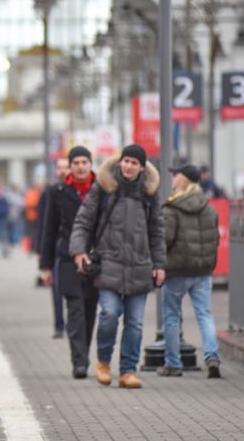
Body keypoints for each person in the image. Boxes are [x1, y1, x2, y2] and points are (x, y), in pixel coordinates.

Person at [69, 144, 166, 389]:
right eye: (126, 161)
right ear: (120, 162)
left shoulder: (148, 194)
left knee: (135, 323)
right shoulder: (104, 188)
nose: (129, 166)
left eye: (134, 163)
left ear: (142, 167)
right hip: (108, 264)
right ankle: (103, 362)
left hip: (140, 267)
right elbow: (83, 221)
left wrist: (160, 265)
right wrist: (79, 250)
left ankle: (128, 370)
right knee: (109, 315)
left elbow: (157, 232)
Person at [39, 147, 99, 378]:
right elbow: (49, 229)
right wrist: (45, 265)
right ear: (70, 167)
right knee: (75, 308)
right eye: (77, 163)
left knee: (90, 309)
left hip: (94, 259)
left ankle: (84, 352)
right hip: (66, 258)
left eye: (85, 162)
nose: (81, 166)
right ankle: (79, 361)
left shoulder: (100, 189)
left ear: (91, 164)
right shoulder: (59, 191)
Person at [157, 164, 222, 379]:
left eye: (176, 175)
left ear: (184, 180)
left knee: (171, 317)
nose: (173, 178)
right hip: (201, 271)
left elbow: (165, 240)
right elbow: (214, 239)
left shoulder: (172, 208)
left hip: (176, 271)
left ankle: (173, 364)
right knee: (205, 315)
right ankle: (212, 357)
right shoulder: (209, 207)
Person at [38, 157, 70, 334]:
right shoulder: (50, 192)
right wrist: (42, 256)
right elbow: (44, 225)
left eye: (66, 167)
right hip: (55, 248)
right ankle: (59, 325)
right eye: (59, 167)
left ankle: (72, 324)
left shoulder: (78, 192)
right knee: (56, 288)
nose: (63, 171)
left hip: (73, 248)